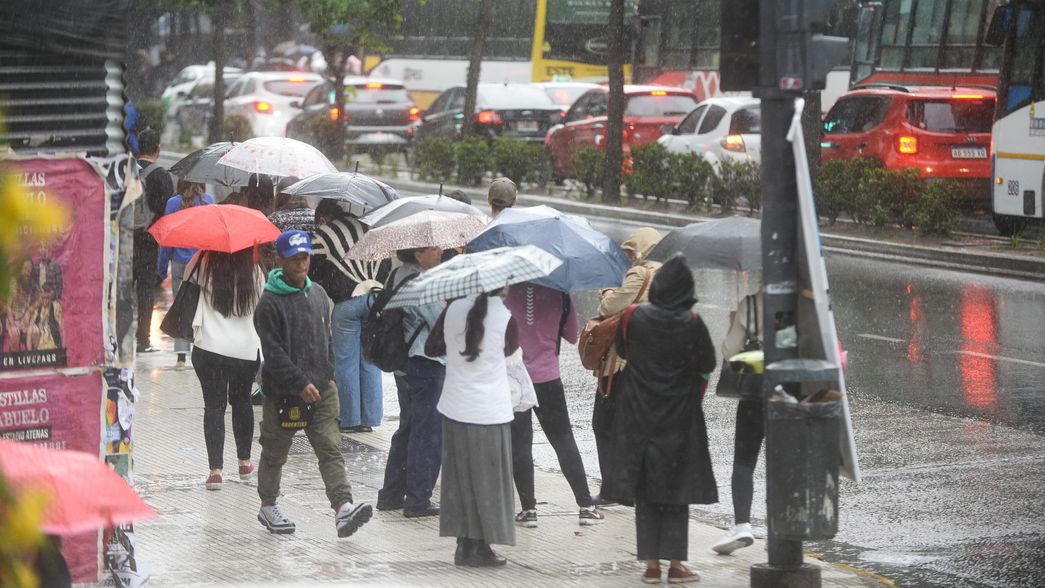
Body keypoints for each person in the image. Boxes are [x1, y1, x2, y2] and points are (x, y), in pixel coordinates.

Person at [603, 254, 717, 584]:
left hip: (639, 415)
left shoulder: (631, 317)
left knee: (646, 490)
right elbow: (706, 361)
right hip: (679, 418)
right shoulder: (692, 322)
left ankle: (651, 566)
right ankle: (677, 566)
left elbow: (623, 352)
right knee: (676, 492)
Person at [253, 230, 373, 538]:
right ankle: (268, 504)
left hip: (321, 389)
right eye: (294, 258)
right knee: (275, 451)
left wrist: (328, 371)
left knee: (330, 447)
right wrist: (299, 382)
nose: (300, 263)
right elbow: (274, 352)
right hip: (283, 394)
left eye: (305, 257)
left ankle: (343, 509)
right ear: (280, 260)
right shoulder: (269, 303)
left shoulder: (318, 293)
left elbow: (326, 336)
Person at [425, 287, 519, 567]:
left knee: (460, 481)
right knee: (487, 483)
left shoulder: (452, 309)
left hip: (455, 408)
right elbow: (511, 350)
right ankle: (480, 547)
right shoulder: (505, 316)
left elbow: (431, 348)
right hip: (489, 411)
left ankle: (464, 546)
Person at [504, 282, 603, 527]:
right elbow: (571, 335)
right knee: (563, 439)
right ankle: (585, 506)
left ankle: (529, 510)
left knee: (520, 444)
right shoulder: (559, 290)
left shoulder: (505, 289)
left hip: (515, 378)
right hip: (548, 377)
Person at [592, 227, 662, 499]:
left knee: (605, 424)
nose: (631, 259)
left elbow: (608, 308)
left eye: (633, 253)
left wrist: (608, 292)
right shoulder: (668, 275)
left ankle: (614, 490)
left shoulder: (641, 274)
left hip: (623, 363)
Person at [310, 200, 390, 433]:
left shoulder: (325, 233)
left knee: (345, 361)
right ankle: (370, 418)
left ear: (324, 217)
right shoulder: (369, 228)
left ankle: (349, 418)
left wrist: (332, 288)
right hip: (375, 298)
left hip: (348, 301)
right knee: (369, 359)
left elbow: (314, 271)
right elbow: (385, 264)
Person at [376, 246, 445, 518]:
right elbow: (440, 323)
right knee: (427, 432)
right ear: (418, 254)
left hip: (402, 361)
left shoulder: (397, 274)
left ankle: (391, 494)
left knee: (408, 428)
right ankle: (418, 499)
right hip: (425, 361)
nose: (440, 252)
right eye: (433, 248)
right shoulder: (421, 282)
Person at [189, 247, 263, 490]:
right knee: (241, 401)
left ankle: (215, 471)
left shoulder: (204, 264)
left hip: (210, 348)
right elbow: (263, 300)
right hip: (244, 350)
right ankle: (244, 462)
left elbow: (185, 282)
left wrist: (203, 255)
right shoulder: (254, 270)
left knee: (214, 406)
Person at [712, 290, 764, 555]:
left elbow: (731, 351)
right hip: (792, 392)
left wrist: (735, 326)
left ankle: (742, 523)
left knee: (744, 461)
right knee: (786, 462)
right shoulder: (806, 302)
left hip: (757, 390)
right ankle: (784, 531)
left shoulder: (753, 304)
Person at [158, 180, 214, 367]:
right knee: (202, 305)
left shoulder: (173, 203)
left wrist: (161, 267)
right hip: (202, 261)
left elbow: (167, 238)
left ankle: (181, 355)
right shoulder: (208, 201)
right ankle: (202, 350)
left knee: (181, 306)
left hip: (180, 262)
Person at [132, 128, 174, 353]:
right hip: (149, 240)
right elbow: (164, 208)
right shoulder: (161, 175)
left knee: (121, 290)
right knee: (146, 291)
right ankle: (142, 340)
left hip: (127, 238)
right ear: (158, 149)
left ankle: (117, 339)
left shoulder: (129, 171)